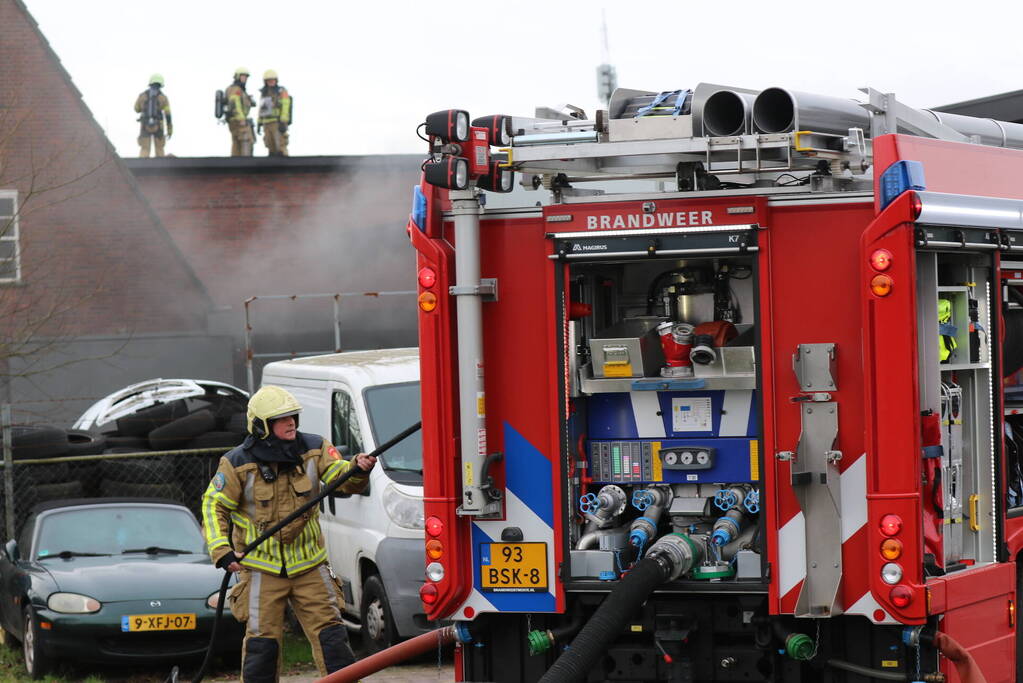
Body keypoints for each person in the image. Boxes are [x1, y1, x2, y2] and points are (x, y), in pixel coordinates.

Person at [201, 385, 376, 681]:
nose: (291, 422)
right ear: (261, 425)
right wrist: (222, 550)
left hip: (310, 565)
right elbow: (212, 506)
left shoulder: (315, 449)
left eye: (292, 416)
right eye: (281, 419)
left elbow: (341, 480)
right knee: (262, 645)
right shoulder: (236, 464)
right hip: (260, 570)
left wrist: (357, 470)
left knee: (333, 638)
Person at [134, 74, 172, 158]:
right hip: (158, 125)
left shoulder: (142, 96)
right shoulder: (163, 98)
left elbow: (136, 109)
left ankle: (142, 166)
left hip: (145, 125)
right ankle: (161, 166)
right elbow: (168, 115)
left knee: (145, 148)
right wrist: (170, 130)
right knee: (159, 148)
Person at [258, 69, 292, 156]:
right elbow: (261, 108)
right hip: (266, 122)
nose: (271, 82)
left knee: (281, 145)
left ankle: (285, 165)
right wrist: (259, 122)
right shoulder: (264, 93)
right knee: (270, 145)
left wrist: (283, 120)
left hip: (277, 122)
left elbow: (285, 105)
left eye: (272, 80)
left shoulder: (281, 91)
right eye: (268, 80)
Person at [225, 67, 255, 156]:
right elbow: (235, 104)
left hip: (235, 120)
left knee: (236, 143)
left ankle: (236, 162)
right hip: (239, 121)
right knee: (246, 140)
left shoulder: (239, 90)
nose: (245, 79)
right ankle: (246, 162)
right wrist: (241, 119)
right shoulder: (236, 89)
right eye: (243, 76)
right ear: (237, 77)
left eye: (246, 77)